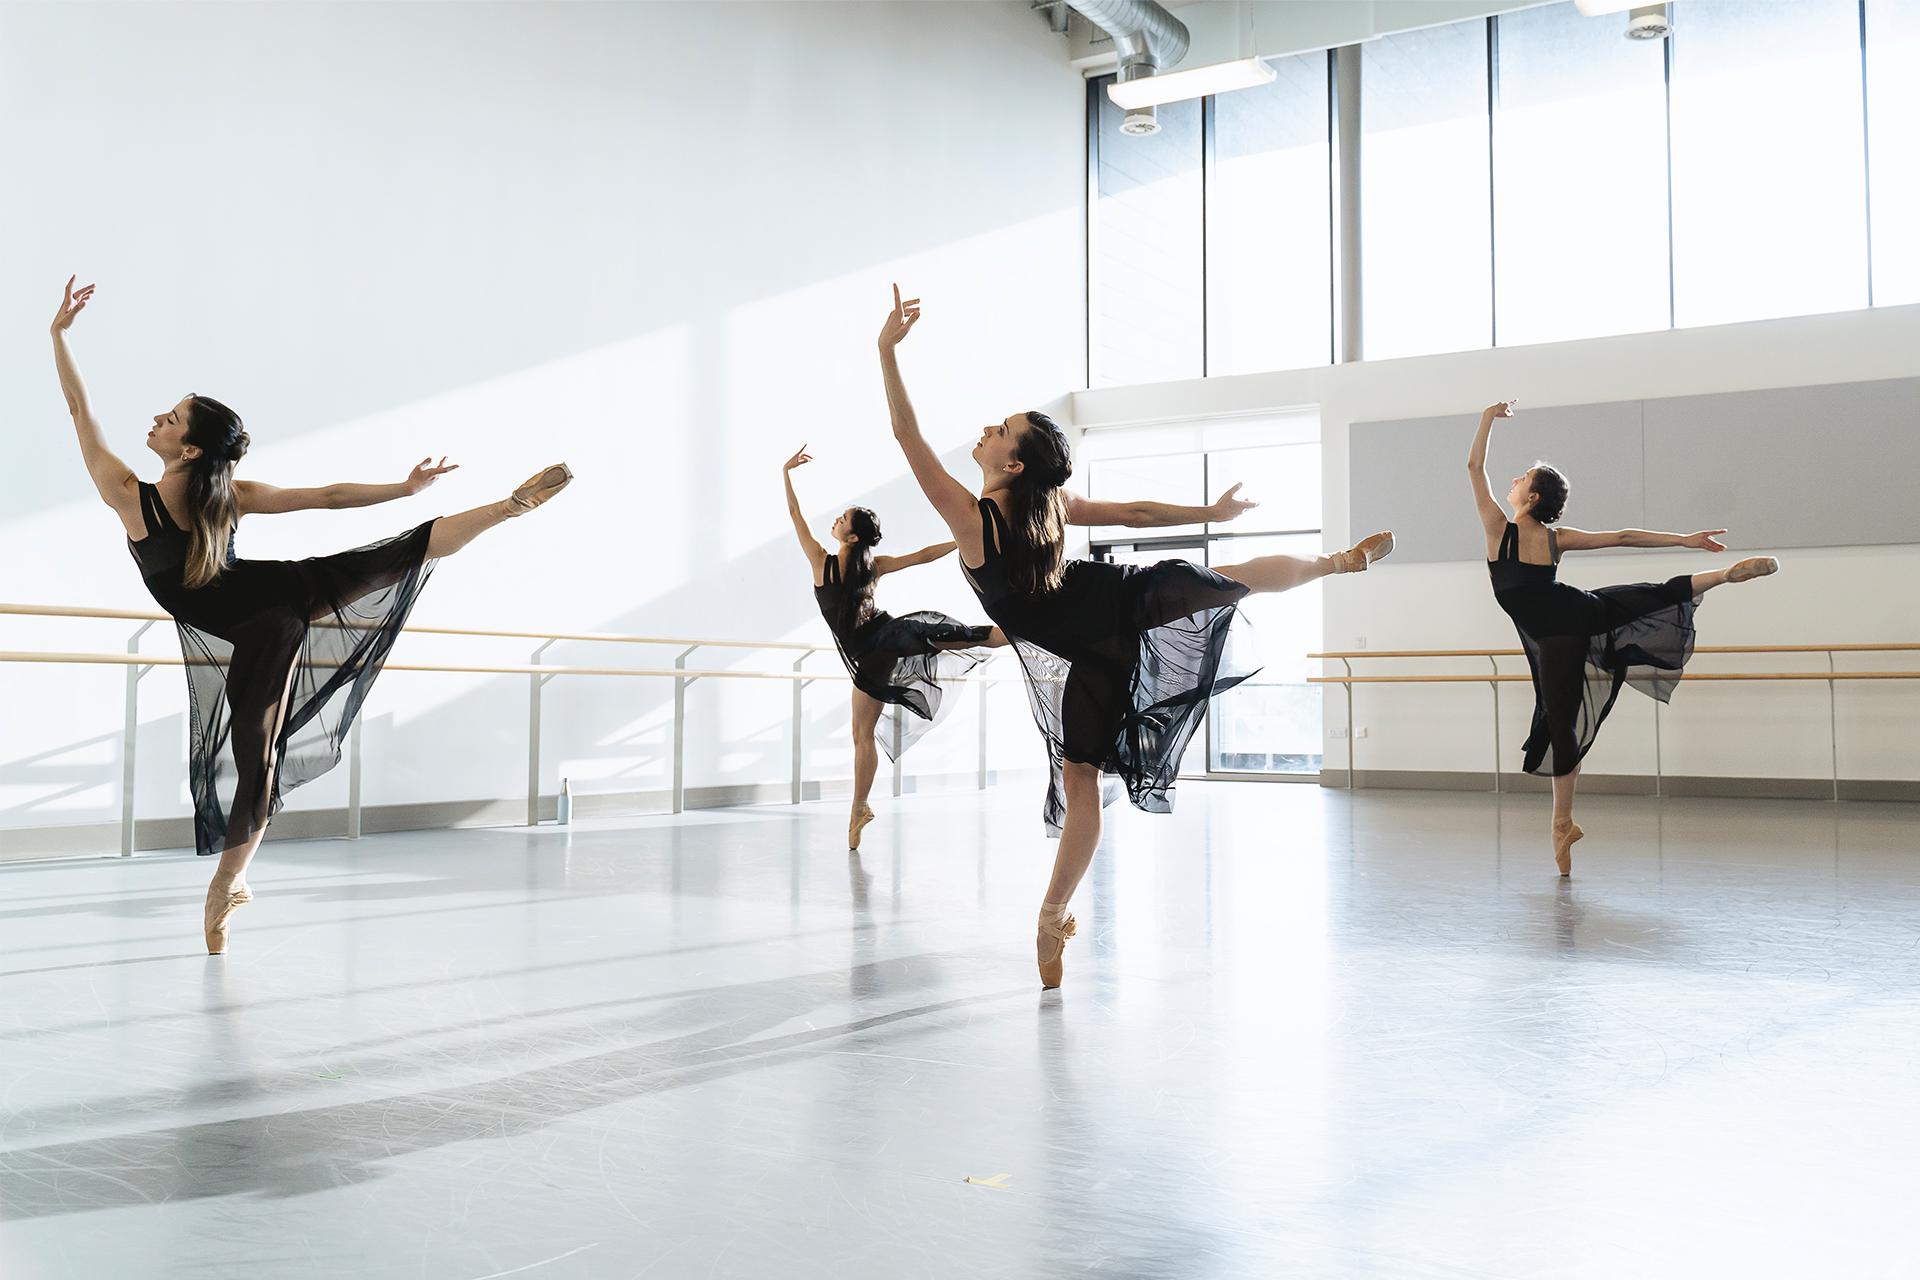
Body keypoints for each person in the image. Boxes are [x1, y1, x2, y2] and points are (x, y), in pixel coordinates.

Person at [877, 285, 1394, 987]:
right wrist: (1210, 512)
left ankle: (1052, 913)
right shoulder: (1043, 506)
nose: (988, 429)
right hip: (1105, 627)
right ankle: (1337, 562)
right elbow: (1136, 514)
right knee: (1227, 582)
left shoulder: (975, 520)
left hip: (1099, 629)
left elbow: (907, 436)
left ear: (1013, 464)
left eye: (1001, 429)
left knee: (1084, 777)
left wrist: (887, 351)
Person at [51, 277, 572, 952]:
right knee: (393, 559)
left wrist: (59, 335)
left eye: (172, 419)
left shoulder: (130, 495)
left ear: (189, 450)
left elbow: (78, 409)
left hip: (264, 621)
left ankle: (230, 881)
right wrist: (404, 488)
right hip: (281, 598)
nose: (158, 418)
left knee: (256, 758)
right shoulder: (229, 494)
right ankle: (506, 508)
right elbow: (324, 496)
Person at [1469, 398, 1778, 874]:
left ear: (1531, 499)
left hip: (1557, 640)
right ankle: (1720, 575)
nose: (1514, 480)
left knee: (1562, 730)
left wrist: (1487, 417)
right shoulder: (1554, 539)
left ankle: (1561, 823)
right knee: (1650, 596)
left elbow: (1475, 467)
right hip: (1580, 612)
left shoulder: (1498, 530)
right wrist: (1683, 540)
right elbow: (1624, 536)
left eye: (1523, 478)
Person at [783, 444, 1006, 848]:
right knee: (960, 636)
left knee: (862, 734)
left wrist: (786, 474)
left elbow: (796, 516)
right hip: (887, 641)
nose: (835, 521)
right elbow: (922, 556)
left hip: (876, 650)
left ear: (851, 536)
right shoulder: (873, 565)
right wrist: (963, 538)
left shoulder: (822, 562)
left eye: (842, 519)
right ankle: (1025, 630)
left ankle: (859, 807)